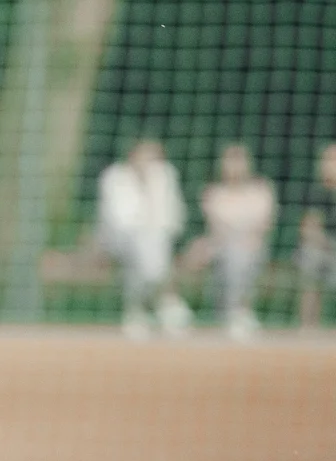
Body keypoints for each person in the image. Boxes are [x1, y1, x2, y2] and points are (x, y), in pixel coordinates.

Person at [97, 139, 188, 338]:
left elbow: (171, 218)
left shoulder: (165, 176)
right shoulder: (115, 176)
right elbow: (119, 221)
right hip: (120, 240)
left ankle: (137, 311)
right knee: (143, 249)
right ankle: (168, 302)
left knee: (149, 252)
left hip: (155, 241)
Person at [199, 143, 276, 340]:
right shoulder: (214, 192)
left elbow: (265, 223)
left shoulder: (261, 189)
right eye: (230, 161)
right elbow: (216, 227)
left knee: (241, 256)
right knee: (234, 255)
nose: (234, 166)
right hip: (221, 245)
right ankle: (239, 312)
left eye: (239, 161)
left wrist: (248, 238)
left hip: (254, 245)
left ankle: (237, 312)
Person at [298, 142, 336, 331]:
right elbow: (308, 228)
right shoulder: (316, 191)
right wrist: (325, 244)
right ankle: (308, 326)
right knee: (311, 257)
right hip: (323, 247)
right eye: (328, 159)